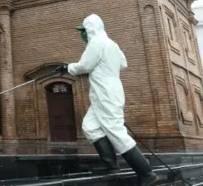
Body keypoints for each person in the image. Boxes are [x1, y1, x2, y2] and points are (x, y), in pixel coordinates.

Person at [58, 14, 158, 186]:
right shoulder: (112, 44)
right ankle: (111, 165)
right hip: (104, 92)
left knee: (115, 131)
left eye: (84, 30)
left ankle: (147, 173)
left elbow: (85, 66)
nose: (82, 34)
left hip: (105, 93)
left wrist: (68, 67)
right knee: (90, 127)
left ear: (91, 28)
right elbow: (123, 63)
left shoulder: (96, 43)